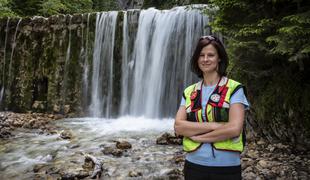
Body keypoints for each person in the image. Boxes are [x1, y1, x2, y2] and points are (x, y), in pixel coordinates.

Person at [174, 35, 249, 180]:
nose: (205, 59)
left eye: (210, 55)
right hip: (194, 165)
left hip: (226, 167)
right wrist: (216, 125)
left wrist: (198, 137)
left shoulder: (234, 88)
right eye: (201, 55)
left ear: (219, 58)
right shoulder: (189, 92)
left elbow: (234, 129)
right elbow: (178, 127)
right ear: (197, 59)